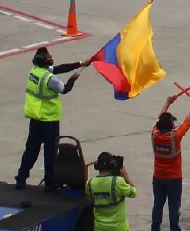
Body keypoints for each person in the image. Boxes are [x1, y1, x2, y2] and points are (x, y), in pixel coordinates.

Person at [16, 47, 90, 191]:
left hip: (36, 118)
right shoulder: (50, 79)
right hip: (49, 120)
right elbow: (65, 89)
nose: (51, 58)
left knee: (31, 150)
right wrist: (73, 79)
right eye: (49, 57)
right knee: (50, 153)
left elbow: (59, 68)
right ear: (45, 61)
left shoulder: (35, 72)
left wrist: (81, 63)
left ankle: (21, 178)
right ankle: (50, 184)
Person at [151, 92, 190, 231]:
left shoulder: (154, 134)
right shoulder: (176, 136)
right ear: (171, 125)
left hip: (158, 176)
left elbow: (158, 119)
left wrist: (167, 103)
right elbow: (188, 121)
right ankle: (174, 228)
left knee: (158, 204)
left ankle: (155, 228)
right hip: (174, 177)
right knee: (174, 205)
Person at [88, 152, 138, 231]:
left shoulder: (91, 183)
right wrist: (126, 176)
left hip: (99, 228)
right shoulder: (118, 182)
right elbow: (134, 193)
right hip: (119, 228)